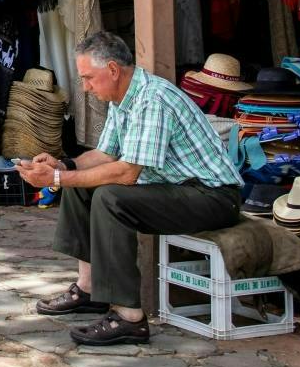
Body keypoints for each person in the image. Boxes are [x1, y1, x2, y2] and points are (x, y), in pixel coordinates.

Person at [16, 30, 243, 348]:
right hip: (178, 189)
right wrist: (62, 166)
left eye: (88, 78)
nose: (85, 87)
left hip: (214, 197)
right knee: (83, 187)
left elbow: (126, 172)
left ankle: (129, 318)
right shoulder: (122, 97)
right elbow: (104, 155)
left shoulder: (152, 99)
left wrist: (55, 180)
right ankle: (90, 289)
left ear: (112, 69)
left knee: (110, 196)